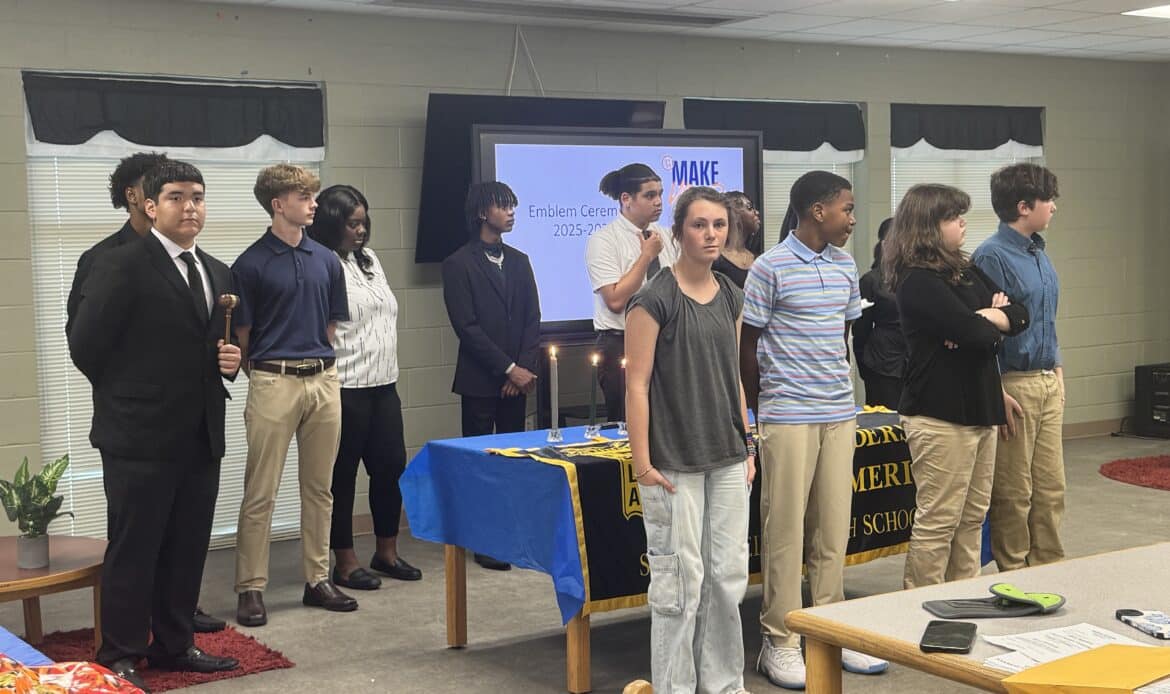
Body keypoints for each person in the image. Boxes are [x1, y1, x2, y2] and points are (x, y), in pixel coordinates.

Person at [69, 160, 241, 691]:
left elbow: (215, 343)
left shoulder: (217, 271)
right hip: (138, 434)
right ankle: (120, 653)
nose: (190, 207)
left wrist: (231, 361)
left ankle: (174, 643)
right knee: (135, 548)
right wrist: (136, 392)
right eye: (175, 197)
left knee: (187, 545)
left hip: (200, 431)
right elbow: (86, 348)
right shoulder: (119, 264)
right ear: (150, 205)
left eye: (198, 197)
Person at [741, 171, 888, 690]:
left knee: (832, 529)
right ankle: (779, 640)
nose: (852, 219)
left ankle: (830, 633)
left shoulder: (845, 265)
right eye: (846, 209)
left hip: (838, 413)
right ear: (817, 211)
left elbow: (842, 335)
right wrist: (757, 411)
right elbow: (747, 345)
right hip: (786, 416)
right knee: (784, 532)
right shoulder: (770, 267)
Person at [626, 186, 755, 694]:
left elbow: (734, 376)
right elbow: (636, 385)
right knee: (680, 585)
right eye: (700, 225)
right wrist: (642, 465)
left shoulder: (731, 295)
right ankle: (675, 687)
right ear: (679, 231)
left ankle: (724, 684)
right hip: (673, 460)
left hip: (727, 457)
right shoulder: (654, 298)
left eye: (719, 225)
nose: (711, 234)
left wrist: (748, 445)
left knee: (727, 579)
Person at [885, 184, 1029, 589]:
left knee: (972, 519)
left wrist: (981, 320)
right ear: (928, 226)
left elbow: (1021, 314)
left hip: (980, 410)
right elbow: (979, 335)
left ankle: (965, 597)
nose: (963, 223)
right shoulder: (917, 280)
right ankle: (919, 607)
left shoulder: (964, 269)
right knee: (939, 522)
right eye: (952, 217)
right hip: (939, 415)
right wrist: (988, 320)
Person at [232, 164, 355, 627]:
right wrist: (271, 376)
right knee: (260, 490)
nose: (313, 204)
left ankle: (317, 579)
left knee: (320, 488)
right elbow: (243, 339)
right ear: (277, 204)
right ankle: (250, 587)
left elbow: (330, 324)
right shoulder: (250, 264)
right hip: (273, 380)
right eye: (303, 196)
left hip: (323, 380)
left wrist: (315, 367)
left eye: (312, 196)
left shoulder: (326, 260)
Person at [306, 185, 421, 590]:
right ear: (330, 223)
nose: (360, 231)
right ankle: (345, 561)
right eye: (352, 224)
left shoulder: (370, 259)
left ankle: (386, 552)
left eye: (364, 222)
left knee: (391, 468)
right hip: (344, 386)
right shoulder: (319, 263)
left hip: (384, 384)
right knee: (342, 477)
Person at [442, 181, 541, 571]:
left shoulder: (519, 260)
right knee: (481, 463)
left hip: (518, 380)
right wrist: (508, 368)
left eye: (512, 206)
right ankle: (483, 538)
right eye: (503, 206)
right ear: (483, 212)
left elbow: (532, 318)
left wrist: (523, 368)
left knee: (513, 459)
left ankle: (513, 533)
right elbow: (467, 327)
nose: (511, 212)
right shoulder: (458, 263)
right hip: (480, 380)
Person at [972, 163, 1065, 571]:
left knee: (1051, 488)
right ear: (1024, 207)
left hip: (1046, 382)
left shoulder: (1038, 252)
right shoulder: (991, 255)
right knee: (1014, 491)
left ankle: (1050, 566)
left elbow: (1047, 319)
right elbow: (983, 329)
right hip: (1014, 384)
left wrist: (1057, 370)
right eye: (1049, 200)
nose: (1054, 207)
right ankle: (1014, 571)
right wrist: (995, 389)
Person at [585, 163, 678, 423]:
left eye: (660, 194)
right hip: (622, 344)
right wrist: (646, 256)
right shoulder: (604, 240)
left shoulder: (666, 236)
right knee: (628, 424)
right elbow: (615, 300)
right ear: (626, 199)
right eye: (650, 195)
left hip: (667, 340)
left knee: (668, 421)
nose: (658, 202)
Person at [853, 218, 906, 409]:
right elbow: (860, 330)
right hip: (882, 364)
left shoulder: (919, 277)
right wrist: (865, 367)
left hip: (916, 364)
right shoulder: (871, 280)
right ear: (885, 244)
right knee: (885, 421)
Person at [712, 190, 760, 288]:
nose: (757, 212)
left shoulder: (759, 260)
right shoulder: (714, 260)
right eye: (750, 208)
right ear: (734, 215)